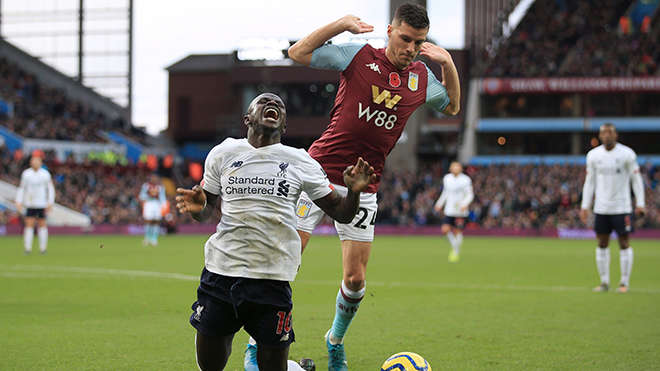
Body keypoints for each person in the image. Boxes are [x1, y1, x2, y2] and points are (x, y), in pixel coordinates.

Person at [243, 4, 460, 370]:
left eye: (418, 42)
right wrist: (341, 24)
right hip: (316, 173)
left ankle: (335, 340)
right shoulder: (359, 55)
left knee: (356, 278)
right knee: (285, 262)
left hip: (364, 185)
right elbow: (299, 52)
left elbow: (453, 107)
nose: (410, 48)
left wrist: (448, 65)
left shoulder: (421, 77)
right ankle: (256, 343)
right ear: (391, 31)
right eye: (405, 38)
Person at [175, 93, 376, 371]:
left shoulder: (301, 161)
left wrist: (353, 193)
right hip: (220, 276)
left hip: (271, 282)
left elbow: (341, 211)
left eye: (280, 105)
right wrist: (199, 209)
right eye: (264, 101)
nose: (273, 104)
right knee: (209, 366)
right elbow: (205, 209)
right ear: (247, 118)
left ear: (284, 126)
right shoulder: (224, 153)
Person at [580, 123, 645, 293]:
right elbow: (590, 182)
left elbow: (636, 180)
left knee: (624, 243)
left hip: (622, 207)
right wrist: (585, 206)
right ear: (600, 136)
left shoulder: (627, 154)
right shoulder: (593, 155)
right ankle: (604, 282)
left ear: (616, 135)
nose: (607, 135)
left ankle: (624, 282)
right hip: (601, 207)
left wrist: (641, 203)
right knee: (602, 243)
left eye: (610, 132)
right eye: (603, 133)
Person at [15, 153, 55, 255]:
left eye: (37, 161)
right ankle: (27, 249)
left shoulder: (45, 174)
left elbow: (50, 189)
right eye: (33, 160)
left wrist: (50, 202)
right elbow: (21, 188)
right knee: (29, 225)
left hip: (41, 203)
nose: (35, 162)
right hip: (30, 203)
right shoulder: (26, 174)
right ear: (30, 162)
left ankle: (43, 249)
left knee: (42, 225)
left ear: (41, 162)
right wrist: (18, 201)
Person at [433, 162, 473, 263]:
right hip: (449, 209)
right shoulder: (447, 178)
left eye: (457, 167)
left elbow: (470, 194)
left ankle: (455, 252)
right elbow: (445, 193)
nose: (456, 168)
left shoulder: (466, 180)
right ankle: (456, 248)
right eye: (454, 167)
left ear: (460, 169)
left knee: (458, 231)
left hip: (460, 210)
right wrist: (439, 204)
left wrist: (465, 204)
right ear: (451, 168)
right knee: (445, 229)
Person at [139, 174, 166, 246]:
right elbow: (141, 196)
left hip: (157, 204)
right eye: (153, 178)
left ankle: (154, 239)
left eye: (155, 178)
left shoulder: (160, 187)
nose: (154, 179)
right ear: (150, 179)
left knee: (156, 221)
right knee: (148, 221)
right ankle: (147, 238)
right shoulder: (146, 186)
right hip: (149, 204)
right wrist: (149, 195)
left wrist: (164, 206)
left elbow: (163, 197)